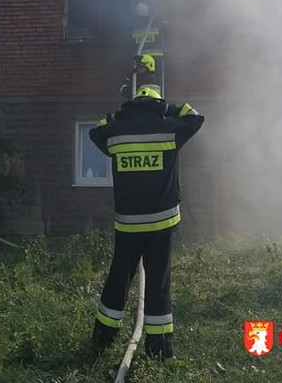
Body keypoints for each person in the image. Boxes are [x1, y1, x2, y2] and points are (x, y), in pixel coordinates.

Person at [88, 85, 205, 360]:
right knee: (157, 283)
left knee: (118, 279)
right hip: (161, 226)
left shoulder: (116, 132)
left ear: (133, 105)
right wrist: (168, 107)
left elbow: (96, 130)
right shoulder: (169, 127)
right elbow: (195, 117)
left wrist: (117, 116)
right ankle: (159, 347)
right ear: (156, 104)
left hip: (128, 226)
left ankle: (103, 337)